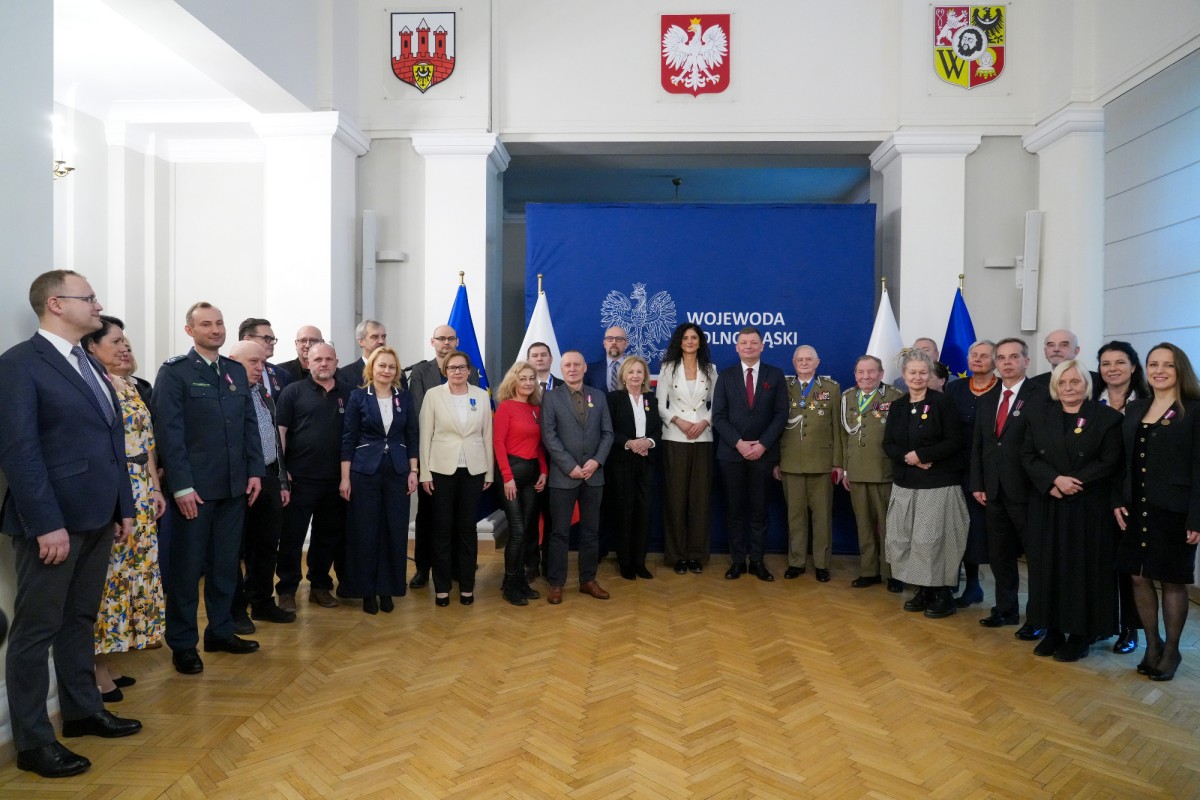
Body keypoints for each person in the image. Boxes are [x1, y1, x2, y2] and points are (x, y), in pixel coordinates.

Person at [0, 271, 140, 778]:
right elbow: (19, 451)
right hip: (54, 523)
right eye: (89, 297)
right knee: (35, 630)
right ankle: (34, 742)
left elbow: (111, 440)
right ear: (56, 304)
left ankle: (82, 711)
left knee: (81, 619)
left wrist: (123, 507)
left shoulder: (87, 362)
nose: (98, 304)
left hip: (99, 515)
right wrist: (45, 523)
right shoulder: (20, 364)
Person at [153, 301, 265, 675]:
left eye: (219, 323)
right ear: (190, 330)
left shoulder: (234, 371)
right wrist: (181, 487)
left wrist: (254, 471)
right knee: (187, 572)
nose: (215, 329)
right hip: (195, 492)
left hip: (234, 487)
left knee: (225, 567)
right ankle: (183, 643)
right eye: (206, 324)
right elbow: (169, 435)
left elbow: (248, 425)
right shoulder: (175, 373)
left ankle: (220, 631)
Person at [83, 316, 167, 701]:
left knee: (136, 574)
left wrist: (155, 487)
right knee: (110, 579)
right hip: (119, 490)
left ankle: (111, 656)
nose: (125, 347)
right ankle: (95, 667)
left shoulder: (131, 385)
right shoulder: (96, 386)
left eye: (125, 341)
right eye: (115, 341)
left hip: (142, 488)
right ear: (92, 347)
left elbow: (146, 443)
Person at [1021, 359, 1123, 662]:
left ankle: (1080, 634)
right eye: (1062, 382)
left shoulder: (1106, 418)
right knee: (1047, 568)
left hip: (1087, 506)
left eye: (1075, 381)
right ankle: (1052, 630)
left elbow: (1110, 461)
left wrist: (1072, 483)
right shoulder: (1039, 414)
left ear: (1086, 385)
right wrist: (1052, 480)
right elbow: (1027, 455)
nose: (1068, 388)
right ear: (1055, 386)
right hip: (1048, 502)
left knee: (1082, 571)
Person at [1114, 343, 1200, 681]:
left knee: (1172, 580)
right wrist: (1118, 499)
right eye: (1153, 364)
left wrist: (1197, 517)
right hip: (1137, 508)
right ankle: (1152, 644)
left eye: (1167, 365)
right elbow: (1123, 460)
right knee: (1138, 576)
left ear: (1181, 370)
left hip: (1176, 511)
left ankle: (1172, 650)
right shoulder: (1136, 408)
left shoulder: (1194, 410)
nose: (1159, 371)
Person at [882, 348, 968, 618]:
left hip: (937, 483)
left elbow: (955, 441)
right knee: (906, 538)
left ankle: (942, 593)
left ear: (930, 374)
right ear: (904, 375)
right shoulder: (898, 406)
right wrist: (909, 459)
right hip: (906, 483)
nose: (917, 377)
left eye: (922, 372)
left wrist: (923, 455)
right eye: (912, 372)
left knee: (933, 540)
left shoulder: (943, 403)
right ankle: (923, 589)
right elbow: (888, 443)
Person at [970, 338, 1048, 638]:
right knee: (1000, 554)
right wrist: (978, 483)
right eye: (1001, 358)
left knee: (1035, 557)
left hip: (1028, 491)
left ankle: (1038, 616)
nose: (1007, 362)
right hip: (993, 490)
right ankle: (1006, 608)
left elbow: (1044, 447)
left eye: (1014, 357)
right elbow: (980, 445)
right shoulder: (988, 398)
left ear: (1026, 361)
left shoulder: (1040, 395)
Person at [340, 346, 419, 614]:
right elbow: (348, 438)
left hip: (397, 472)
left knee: (394, 531)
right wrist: (345, 478)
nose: (387, 370)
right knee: (365, 532)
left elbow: (412, 435)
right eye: (382, 365)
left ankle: (388, 589)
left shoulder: (404, 397)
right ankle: (367, 591)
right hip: (364, 472)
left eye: (391, 366)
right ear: (371, 368)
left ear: (397, 371)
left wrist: (413, 471)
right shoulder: (358, 396)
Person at [275, 342, 352, 610]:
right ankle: (286, 589)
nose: (323, 363)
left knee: (327, 537)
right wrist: (282, 471)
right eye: (318, 359)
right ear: (307, 362)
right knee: (292, 537)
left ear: (336, 362)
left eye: (329, 359)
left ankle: (319, 586)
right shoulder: (292, 392)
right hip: (299, 479)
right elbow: (280, 433)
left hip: (336, 480)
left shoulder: (349, 393)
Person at [711, 326, 789, 581]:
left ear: (762, 346)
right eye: (744, 343)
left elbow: (781, 414)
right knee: (734, 511)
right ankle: (737, 562)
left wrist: (763, 445)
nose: (748, 346)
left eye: (753, 342)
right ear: (737, 347)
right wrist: (739, 444)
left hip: (763, 455)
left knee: (759, 511)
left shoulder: (775, 375)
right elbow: (718, 416)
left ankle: (757, 561)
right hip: (732, 455)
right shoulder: (726, 376)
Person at [227, 340, 294, 629]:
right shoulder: (227, 394)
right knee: (234, 548)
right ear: (233, 361)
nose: (259, 368)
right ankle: (235, 610)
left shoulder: (264, 394)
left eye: (262, 363)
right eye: (252, 362)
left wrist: (282, 480)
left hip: (268, 475)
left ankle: (262, 602)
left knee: (266, 545)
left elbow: (275, 440)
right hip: (239, 479)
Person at [419, 350, 494, 607]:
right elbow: (425, 435)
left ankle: (467, 586)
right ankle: (442, 587)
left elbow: (487, 435)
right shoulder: (433, 395)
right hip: (441, 470)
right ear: (445, 371)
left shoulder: (481, 395)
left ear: (469, 370)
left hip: (473, 470)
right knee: (441, 529)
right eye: (452, 367)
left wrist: (489, 471)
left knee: (467, 529)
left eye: (462, 367)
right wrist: (424, 473)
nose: (457, 371)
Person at [407, 324, 479, 588]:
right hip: (432, 456)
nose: (446, 342)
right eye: (441, 338)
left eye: (450, 338)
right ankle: (423, 568)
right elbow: (418, 413)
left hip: (463, 459)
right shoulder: (421, 371)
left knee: (461, 518)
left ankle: (457, 568)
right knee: (428, 517)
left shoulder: (470, 371)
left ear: (457, 341)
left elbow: (475, 410)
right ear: (433, 342)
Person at [541, 350, 615, 603]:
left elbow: (608, 433)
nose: (572, 369)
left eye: (576, 365)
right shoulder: (551, 397)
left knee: (591, 533)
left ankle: (588, 580)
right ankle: (556, 583)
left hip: (594, 476)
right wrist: (569, 465)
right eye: (567, 365)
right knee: (559, 533)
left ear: (585, 368)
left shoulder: (599, 396)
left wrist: (596, 461)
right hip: (564, 476)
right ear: (561, 370)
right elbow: (549, 436)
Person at [1095, 340, 1149, 655]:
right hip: (1092, 494)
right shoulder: (1092, 398)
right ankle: (1101, 623)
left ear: (1133, 366)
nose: (1112, 369)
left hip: (1129, 496)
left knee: (1128, 567)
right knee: (1098, 564)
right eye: (1106, 363)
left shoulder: (1146, 402)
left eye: (1119, 362)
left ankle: (1131, 628)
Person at [775, 345, 842, 582]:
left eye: (808, 359)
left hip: (822, 463)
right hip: (790, 462)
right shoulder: (783, 387)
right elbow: (775, 426)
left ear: (817, 362)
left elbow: (838, 428)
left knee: (822, 517)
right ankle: (797, 562)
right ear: (794, 363)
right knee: (795, 516)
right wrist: (776, 461)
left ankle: (822, 564)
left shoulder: (831, 389)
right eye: (800, 360)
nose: (804, 363)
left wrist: (838, 463)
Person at [840, 356, 905, 591]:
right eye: (861, 372)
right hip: (856, 471)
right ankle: (869, 571)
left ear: (881, 373)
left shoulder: (895, 396)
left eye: (871, 372)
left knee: (889, 526)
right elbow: (844, 437)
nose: (865, 377)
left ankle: (893, 573)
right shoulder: (848, 397)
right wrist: (845, 469)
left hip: (883, 471)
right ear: (855, 374)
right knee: (864, 524)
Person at [657, 322, 717, 574]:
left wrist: (704, 422)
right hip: (675, 437)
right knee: (676, 499)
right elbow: (660, 404)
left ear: (700, 342)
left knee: (700, 500)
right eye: (685, 338)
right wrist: (679, 421)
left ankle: (696, 555)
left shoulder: (711, 369)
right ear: (679, 342)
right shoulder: (668, 368)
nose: (690, 341)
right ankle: (677, 556)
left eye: (694, 337)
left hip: (703, 438)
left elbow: (718, 404)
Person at [943, 340, 996, 607]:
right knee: (959, 527)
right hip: (957, 468)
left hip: (991, 471)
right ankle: (965, 583)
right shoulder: (955, 388)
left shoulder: (1002, 389)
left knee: (982, 530)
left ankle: (993, 591)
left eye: (984, 355)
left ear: (995, 360)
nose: (977, 359)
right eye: (973, 354)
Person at [492, 360, 547, 605]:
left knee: (527, 530)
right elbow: (498, 443)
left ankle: (520, 581)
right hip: (511, 475)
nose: (527, 383)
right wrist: (507, 477)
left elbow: (539, 445)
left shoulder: (536, 408)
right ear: (513, 381)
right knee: (517, 531)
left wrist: (544, 471)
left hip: (533, 475)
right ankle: (510, 585)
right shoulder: (506, 407)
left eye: (531, 378)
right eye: (522, 378)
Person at [607, 356, 663, 580]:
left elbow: (658, 429)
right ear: (623, 375)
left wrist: (648, 442)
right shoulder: (614, 399)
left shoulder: (651, 399)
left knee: (644, 511)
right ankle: (626, 562)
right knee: (625, 511)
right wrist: (629, 443)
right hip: (622, 461)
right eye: (631, 372)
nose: (635, 376)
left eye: (639, 372)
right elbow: (609, 430)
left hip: (646, 461)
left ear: (645, 376)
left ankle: (640, 561)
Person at [238, 317, 291, 398]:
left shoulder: (281, 375)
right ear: (247, 340)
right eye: (267, 338)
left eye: (273, 339)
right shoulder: (227, 371)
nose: (272, 343)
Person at [337, 319, 390, 387]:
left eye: (383, 337)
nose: (381, 341)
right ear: (361, 342)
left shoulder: (397, 374)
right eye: (375, 337)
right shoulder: (345, 374)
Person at [586, 326, 628, 393]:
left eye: (619, 339)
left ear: (626, 344)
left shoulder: (635, 368)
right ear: (604, 343)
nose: (614, 342)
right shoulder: (590, 370)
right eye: (609, 338)